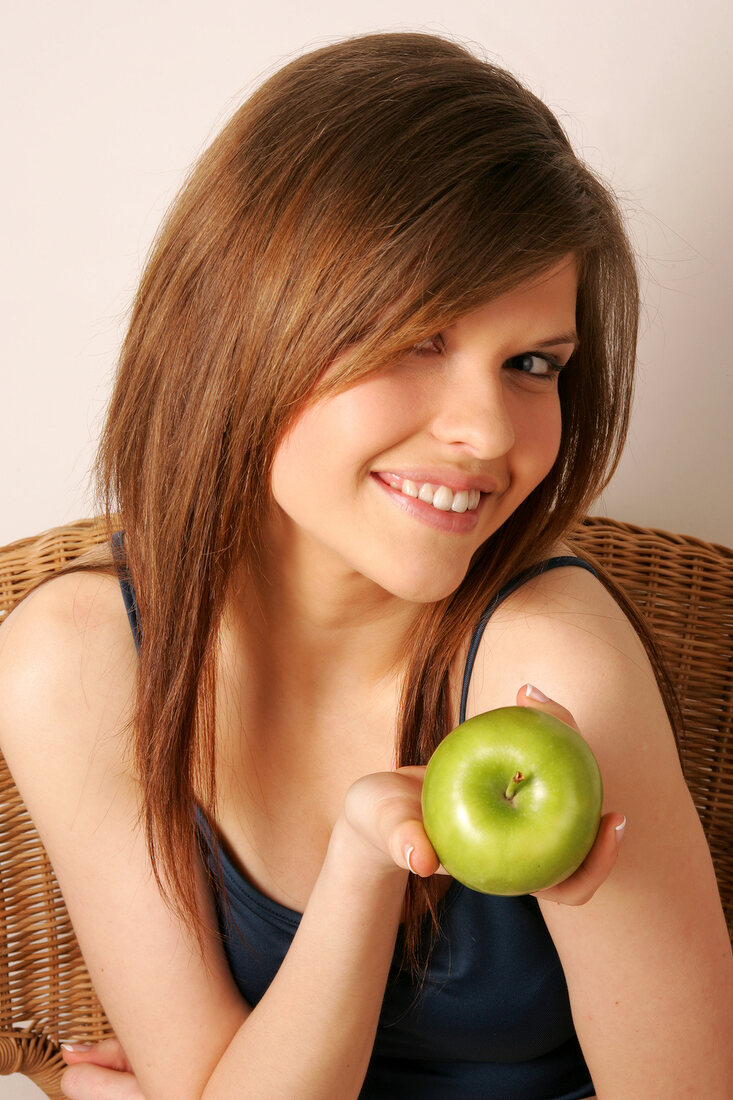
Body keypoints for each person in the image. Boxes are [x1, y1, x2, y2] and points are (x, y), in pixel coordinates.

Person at [0, 30, 731, 1100]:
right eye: (415, 338)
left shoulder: (546, 672)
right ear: (239, 326)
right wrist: (361, 868)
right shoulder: (72, 664)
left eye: (532, 363)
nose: (487, 432)